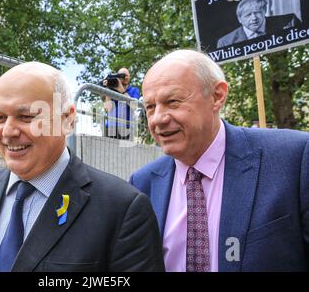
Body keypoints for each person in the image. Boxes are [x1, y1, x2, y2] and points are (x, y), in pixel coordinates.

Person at [0, 61, 164, 272]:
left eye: (26, 117)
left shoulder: (122, 208)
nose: (8, 131)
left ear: (68, 120)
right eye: (0, 117)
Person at [129, 49, 309, 272]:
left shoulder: (292, 158)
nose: (158, 119)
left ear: (217, 96)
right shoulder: (142, 183)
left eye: (172, 101)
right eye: (150, 107)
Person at [217, 0, 301, 48]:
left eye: (257, 12)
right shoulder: (225, 42)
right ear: (240, 19)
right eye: (248, 15)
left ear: (264, 10)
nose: (254, 18)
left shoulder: (290, 21)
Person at [103, 67, 141, 139]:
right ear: (117, 77)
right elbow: (107, 109)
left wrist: (122, 90)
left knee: (124, 150)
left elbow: (134, 106)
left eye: (126, 75)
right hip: (110, 126)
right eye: (122, 75)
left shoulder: (134, 90)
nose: (125, 77)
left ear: (129, 76)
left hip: (126, 128)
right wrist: (108, 89)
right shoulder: (111, 90)